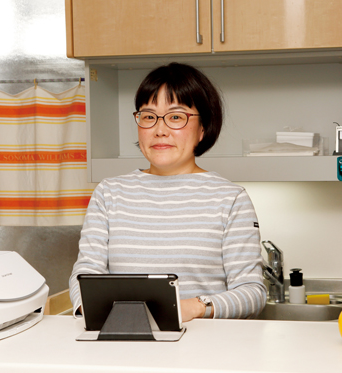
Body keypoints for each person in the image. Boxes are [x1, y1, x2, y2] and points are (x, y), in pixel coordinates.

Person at [69, 62, 266, 321]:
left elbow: (252, 292)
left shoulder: (230, 199)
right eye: (149, 116)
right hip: (122, 343)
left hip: (204, 349)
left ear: (203, 128)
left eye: (176, 117)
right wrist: (90, 304)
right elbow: (86, 273)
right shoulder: (109, 193)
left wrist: (193, 307)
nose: (160, 130)